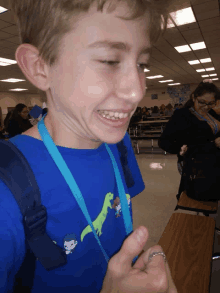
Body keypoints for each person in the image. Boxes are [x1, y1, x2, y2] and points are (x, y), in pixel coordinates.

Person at [2, 0, 178, 292]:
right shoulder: (7, 192)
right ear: (40, 66)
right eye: (110, 61)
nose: (137, 90)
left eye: (141, 64)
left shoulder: (118, 142)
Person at [158, 80, 220, 201]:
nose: (206, 107)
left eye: (211, 103)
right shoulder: (182, 115)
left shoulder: (212, 112)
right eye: (202, 102)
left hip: (214, 160)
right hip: (196, 165)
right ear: (193, 97)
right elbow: (163, 141)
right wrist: (180, 149)